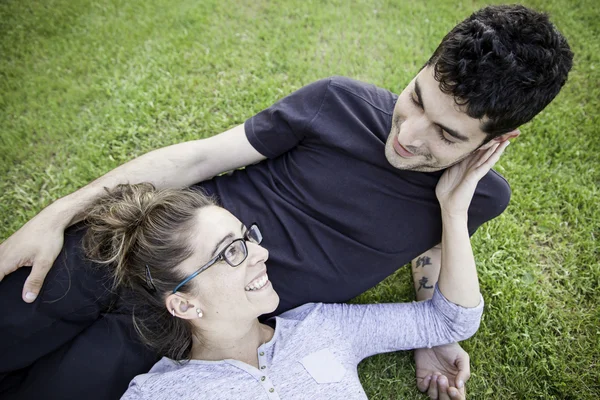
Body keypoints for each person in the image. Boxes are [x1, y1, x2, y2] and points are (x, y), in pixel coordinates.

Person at [0, 5, 572, 400]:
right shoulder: (337, 103)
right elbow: (195, 160)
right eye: (416, 97)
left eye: (447, 135)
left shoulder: (478, 197)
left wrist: (433, 334)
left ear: (494, 143)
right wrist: (58, 213)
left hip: (189, 331)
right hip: (136, 246)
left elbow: (431, 258)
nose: (411, 134)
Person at [87, 141, 505, 400]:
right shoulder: (159, 394)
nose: (261, 253)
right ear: (182, 302)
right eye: (231, 252)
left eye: (247, 237)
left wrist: (453, 210)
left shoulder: (323, 327)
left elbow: (450, 319)